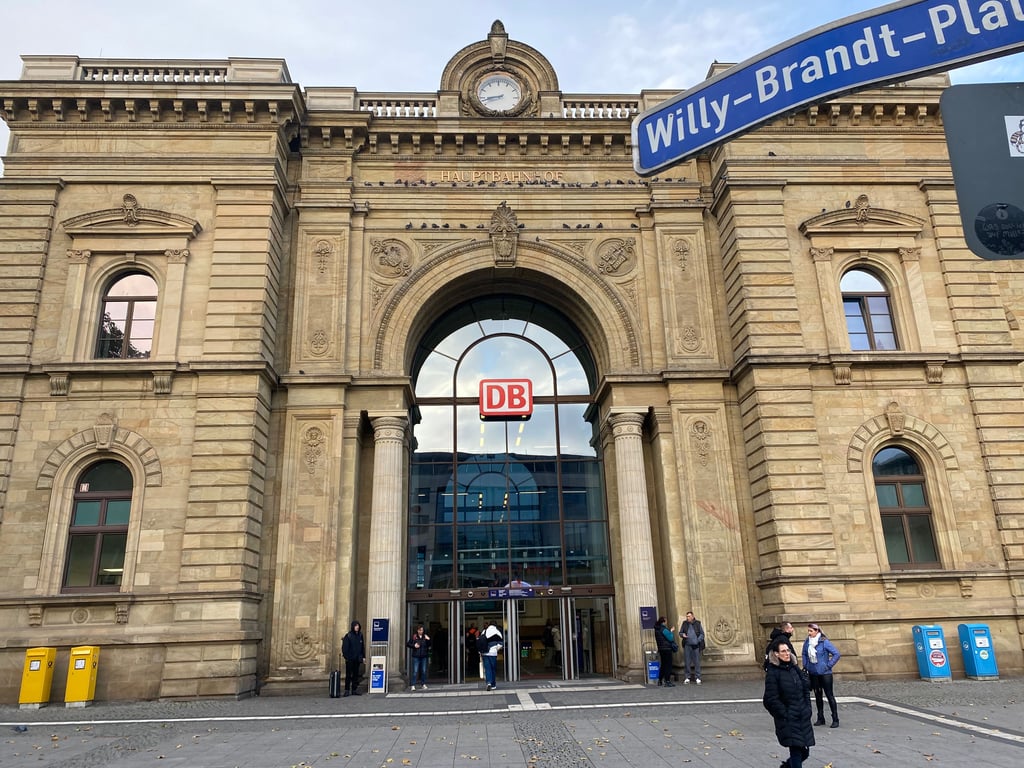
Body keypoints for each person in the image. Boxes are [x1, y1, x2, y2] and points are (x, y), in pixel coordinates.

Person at [763, 636, 815, 768]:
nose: (787, 654)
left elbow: (805, 689)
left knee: (805, 752)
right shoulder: (773, 673)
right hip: (788, 718)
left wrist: (807, 708)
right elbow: (770, 699)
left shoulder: (794, 668)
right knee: (796, 751)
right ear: (776, 654)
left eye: (788, 651)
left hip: (802, 715)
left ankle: (786, 767)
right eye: (783, 651)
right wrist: (784, 713)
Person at [802, 622, 841, 728]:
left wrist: (828, 665)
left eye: (811, 631)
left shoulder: (824, 642)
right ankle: (820, 717)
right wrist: (806, 665)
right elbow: (804, 654)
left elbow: (836, 654)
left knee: (829, 696)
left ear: (817, 631)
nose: (809, 633)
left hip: (825, 673)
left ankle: (835, 718)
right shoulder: (807, 642)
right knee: (817, 696)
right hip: (813, 672)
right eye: (808, 631)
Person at [679, 611, 705, 684]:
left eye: (689, 616)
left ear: (693, 616)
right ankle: (687, 677)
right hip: (687, 645)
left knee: (697, 662)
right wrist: (682, 635)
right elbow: (680, 632)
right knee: (687, 662)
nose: (688, 618)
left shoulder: (697, 623)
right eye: (687, 616)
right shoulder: (684, 623)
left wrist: (697, 640)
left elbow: (702, 634)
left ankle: (698, 677)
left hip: (696, 645)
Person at [341, 620, 365, 697]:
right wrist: (347, 657)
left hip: (357, 659)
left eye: (358, 626)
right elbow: (345, 648)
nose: (357, 627)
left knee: (356, 675)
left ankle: (354, 689)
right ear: (353, 627)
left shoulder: (360, 635)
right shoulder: (348, 636)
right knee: (348, 675)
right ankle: (347, 690)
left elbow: (362, 647)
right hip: (350, 659)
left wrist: (363, 656)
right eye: (356, 626)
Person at [406, 625, 431, 690]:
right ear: (417, 630)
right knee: (415, 671)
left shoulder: (425, 636)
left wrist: (428, 640)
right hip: (416, 656)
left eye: (422, 630)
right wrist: (414, 645)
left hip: (424, 656)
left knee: (423, 671)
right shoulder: (414, 637)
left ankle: (423, 684)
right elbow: (408, 644)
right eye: (420, 630)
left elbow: (429, 645)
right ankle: (413, 685)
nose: (421, 631)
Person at [654, 616, 676, 687]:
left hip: (661, 649)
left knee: (663, 665)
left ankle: (660, 680)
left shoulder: (657, 629)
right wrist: (671, 631)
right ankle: (667, 681)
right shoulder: (663, 629)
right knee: (668, 665)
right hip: (667, 649)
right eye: (666, 621)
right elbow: (670, 638)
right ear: (664, 621)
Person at [481, 620, 503, 691]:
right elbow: (500, 644)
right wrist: (496, 649)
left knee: (487, 668)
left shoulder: (484, 631)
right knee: (493, 668)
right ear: (495, 625)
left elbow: (480, 642)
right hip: (493, 653)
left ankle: (488, 683)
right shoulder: (497, 632)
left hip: (485, 653)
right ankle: (493, 685)